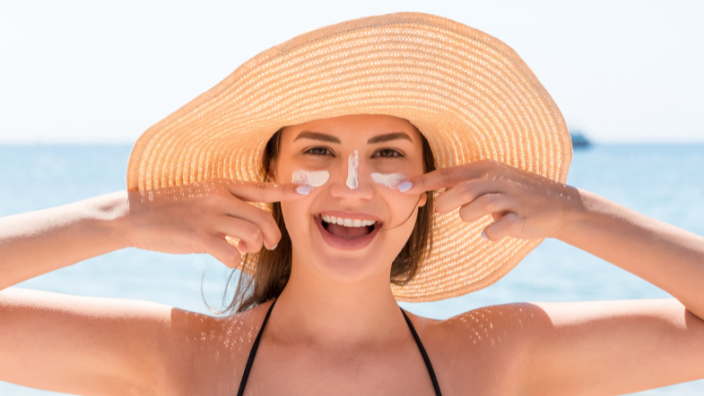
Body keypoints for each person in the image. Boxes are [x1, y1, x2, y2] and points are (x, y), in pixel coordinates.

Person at [1, 12, 703, 396]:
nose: (352, 184)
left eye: (390, 154)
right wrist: (123, 221)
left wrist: (574, 213)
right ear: (268, 176)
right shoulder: (179, 359)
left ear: (431, 188)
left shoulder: (497, 358)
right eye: (318, 151)